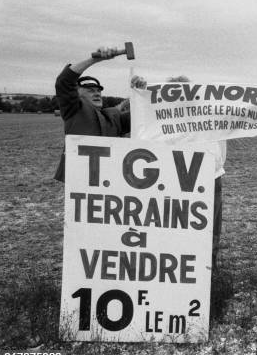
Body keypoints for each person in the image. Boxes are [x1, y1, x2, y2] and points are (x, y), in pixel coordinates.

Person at [131, 75, 226, 271]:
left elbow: (220, 154)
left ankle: (206, 275)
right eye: (175, 94)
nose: (181, 98)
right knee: (175, 232)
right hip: (174, 185)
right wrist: (138, 94)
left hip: (210, 181)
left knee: (209, 233)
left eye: (185, 93)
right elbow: (142, 140)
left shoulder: (209, 120)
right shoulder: (160, 122)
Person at [53, 47, 130, 181]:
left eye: (98, 90)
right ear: (77, 94)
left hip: (110, 180)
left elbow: (143, 116)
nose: (96, 93)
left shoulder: (113, 117)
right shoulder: (74, 110)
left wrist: (142, 92)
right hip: (81, 182)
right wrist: (95, 60)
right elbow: (64, 81)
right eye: (89, 90)